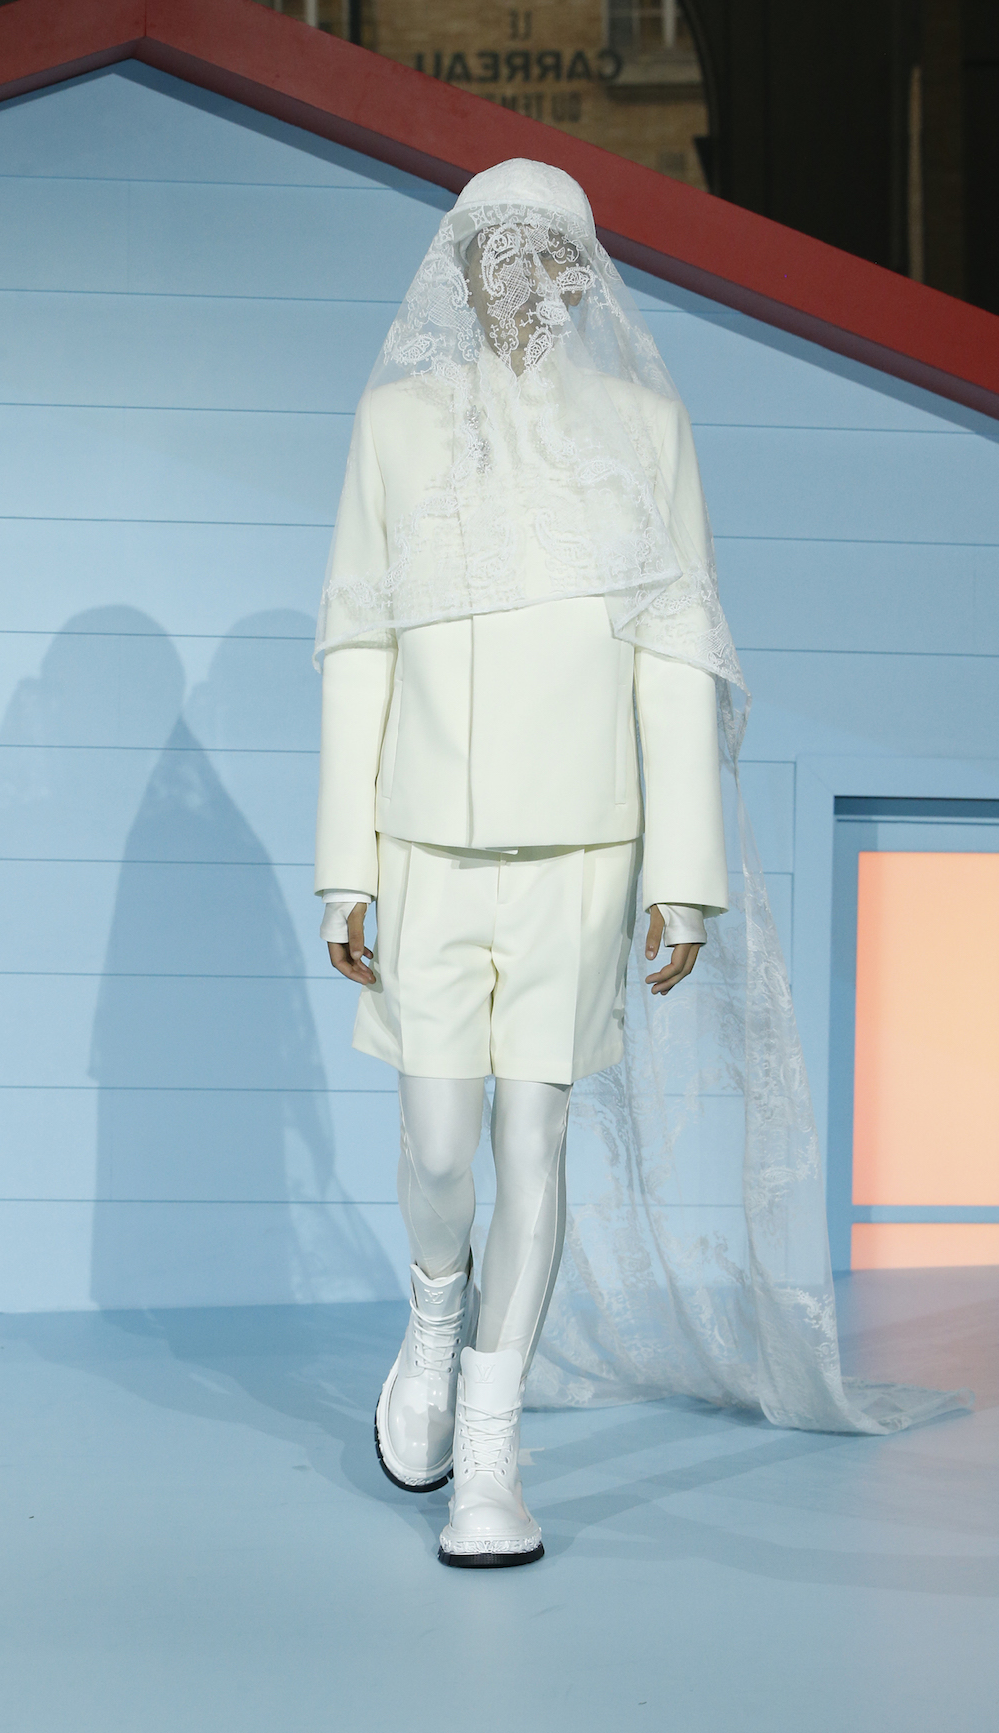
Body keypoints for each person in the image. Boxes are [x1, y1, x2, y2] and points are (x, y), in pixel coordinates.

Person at [314, 158, 737, 1569]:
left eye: (541, 254)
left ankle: (492, 1457)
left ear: (578, 272)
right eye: (491, 253)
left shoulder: (645, 428)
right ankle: (435, 1316)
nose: (517, 279)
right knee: (439, 1147)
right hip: (424, 840)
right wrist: (344, 863)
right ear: (458, 268)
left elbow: (677, 650)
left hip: (584, 843)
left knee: (533, 1140)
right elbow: (357, 642)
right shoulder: (396, 422)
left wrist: (683, 870)